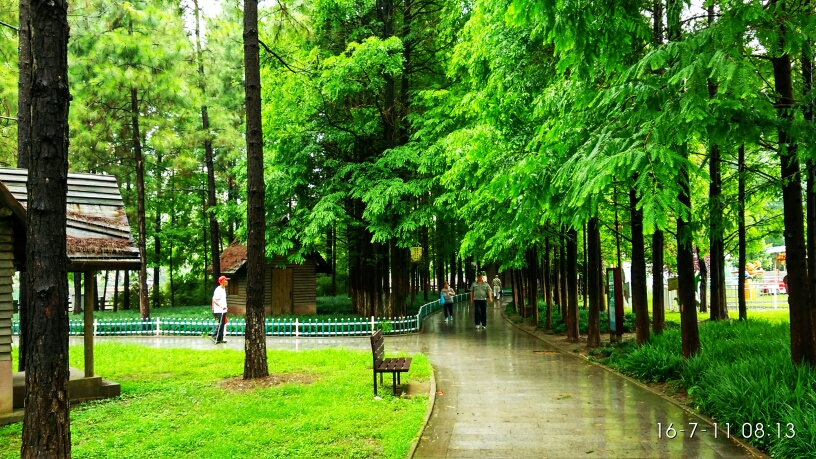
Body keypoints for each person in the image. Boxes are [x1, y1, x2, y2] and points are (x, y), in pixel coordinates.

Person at [211, 275, 229, 344]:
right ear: (222, 282)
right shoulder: (218, 289)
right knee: (221, 324)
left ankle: (219, 338)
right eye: (225, 280)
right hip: (219, 310)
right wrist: (221, 306)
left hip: (223, 310)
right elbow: (214, 300)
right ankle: (215, 336)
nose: (226, 282)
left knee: (222, 324)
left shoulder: (223, 288)